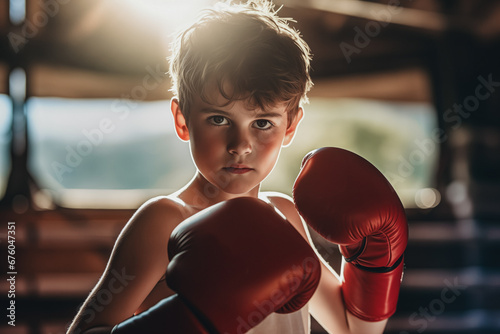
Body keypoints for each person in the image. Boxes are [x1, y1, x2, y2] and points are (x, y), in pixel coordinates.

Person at [67, 1, 406, 333]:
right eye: (218, 119)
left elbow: (353, 330)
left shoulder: (285, 216)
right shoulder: (164, 221)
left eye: (262, 123)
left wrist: (377, 264)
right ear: (182, 120)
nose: (240, 145)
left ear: (290, 127)